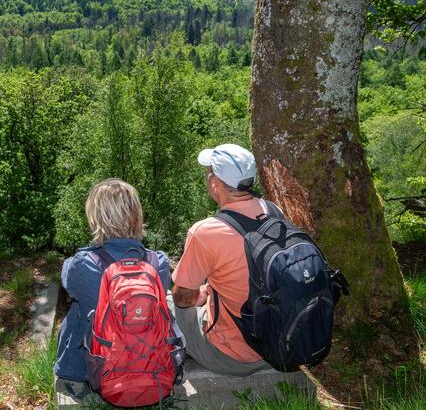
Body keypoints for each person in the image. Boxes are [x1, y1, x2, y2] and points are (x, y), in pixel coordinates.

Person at [52, 178, 179, 401]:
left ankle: (71, 373)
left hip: (95, 368)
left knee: (79, 310)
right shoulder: (157, 263)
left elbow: (66, 278)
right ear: (136, 216)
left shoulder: (84, 264)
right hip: (152, 365)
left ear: (95, 218)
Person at [170, 143, 277, 376]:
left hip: (233, 357)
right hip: (278, 345)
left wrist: (200, 295)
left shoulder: (206, 232)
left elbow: (182, 297)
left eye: (209, 174)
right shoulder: (274, 212)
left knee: (169, 301)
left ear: (215, 184)